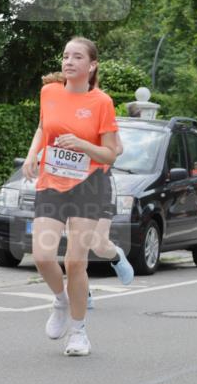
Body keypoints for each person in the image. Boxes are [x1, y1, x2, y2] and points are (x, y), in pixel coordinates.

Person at [22, 38, 119, 356]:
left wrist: (83, 145)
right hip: (51, 183)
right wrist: (32, 154)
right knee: (42, 256)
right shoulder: (49, 92)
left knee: (76, 262)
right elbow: (42, 127)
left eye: (77, 57)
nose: (69, 61)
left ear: (92, 65)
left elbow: (110, 154)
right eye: (66, 56)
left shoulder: (102, 102)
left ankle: (78, 332)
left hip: (88, 185)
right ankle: (60, 300)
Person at [41, 73, 133, 290]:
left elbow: (117, 148)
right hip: (65, 183)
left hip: (96, 182)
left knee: (98, 244)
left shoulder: (99, 106)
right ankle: (82, 293)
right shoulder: (57, 110)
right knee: (73, 248)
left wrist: (84, 146)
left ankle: (116, 256)